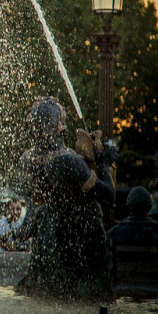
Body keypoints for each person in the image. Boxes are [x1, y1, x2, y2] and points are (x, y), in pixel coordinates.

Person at [14, 97, 116, 301]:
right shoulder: (67, 161)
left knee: (53, 299)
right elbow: (108, 195)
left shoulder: (28, 158)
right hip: (84, 233)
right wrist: (104, 163)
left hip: (54, 229)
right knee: (89, 299)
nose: (65, 125)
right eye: (62, 120)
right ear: (57, 125)